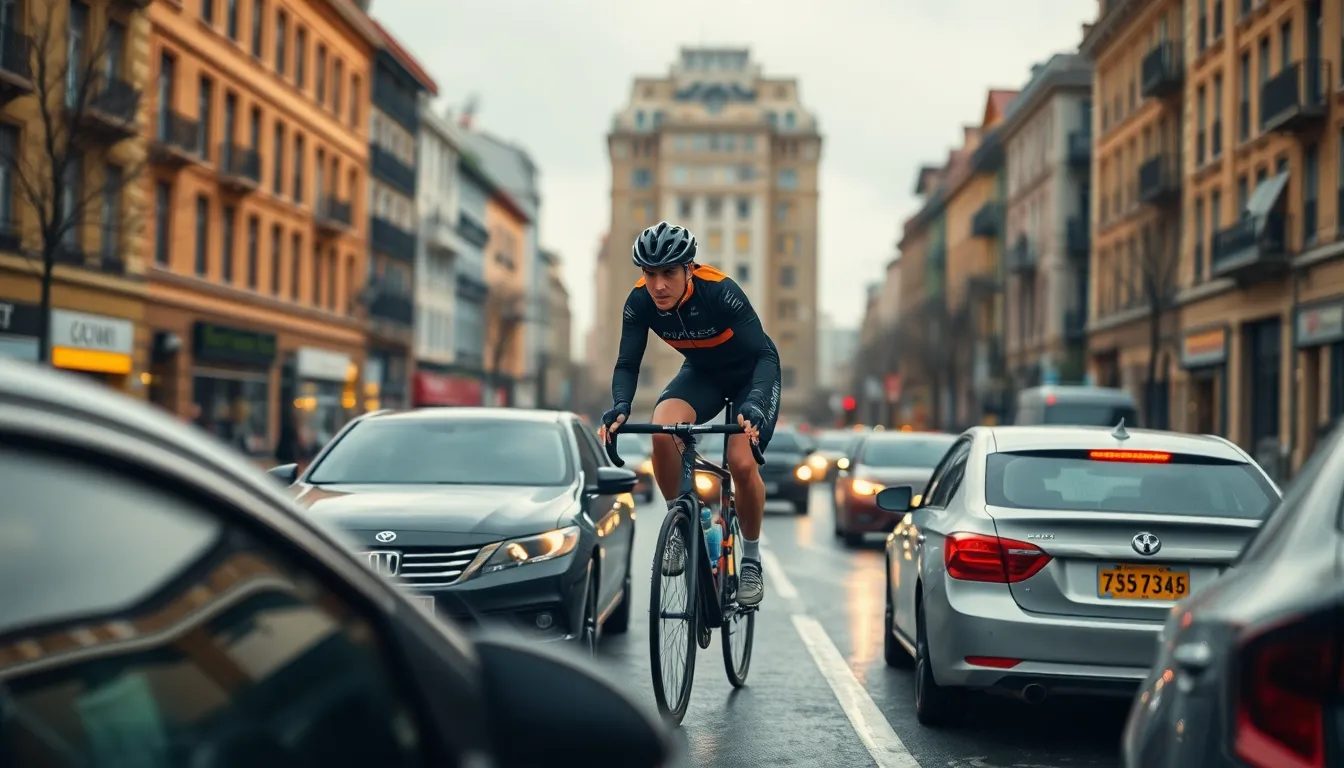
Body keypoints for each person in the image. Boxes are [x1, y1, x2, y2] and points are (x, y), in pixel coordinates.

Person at [598, 221, 780, 607]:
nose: (658, 285)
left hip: (753, 377)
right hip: (703, 376)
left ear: (689, 269)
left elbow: (763, 354)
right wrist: (620, 406)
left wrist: (754, 404)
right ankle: (687, 524)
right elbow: (627, 363)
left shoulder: (720, 291)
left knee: (741, 464)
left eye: (668, 273)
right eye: (650, 274)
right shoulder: (639, 301)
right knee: (663, 433)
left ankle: (750, 559)